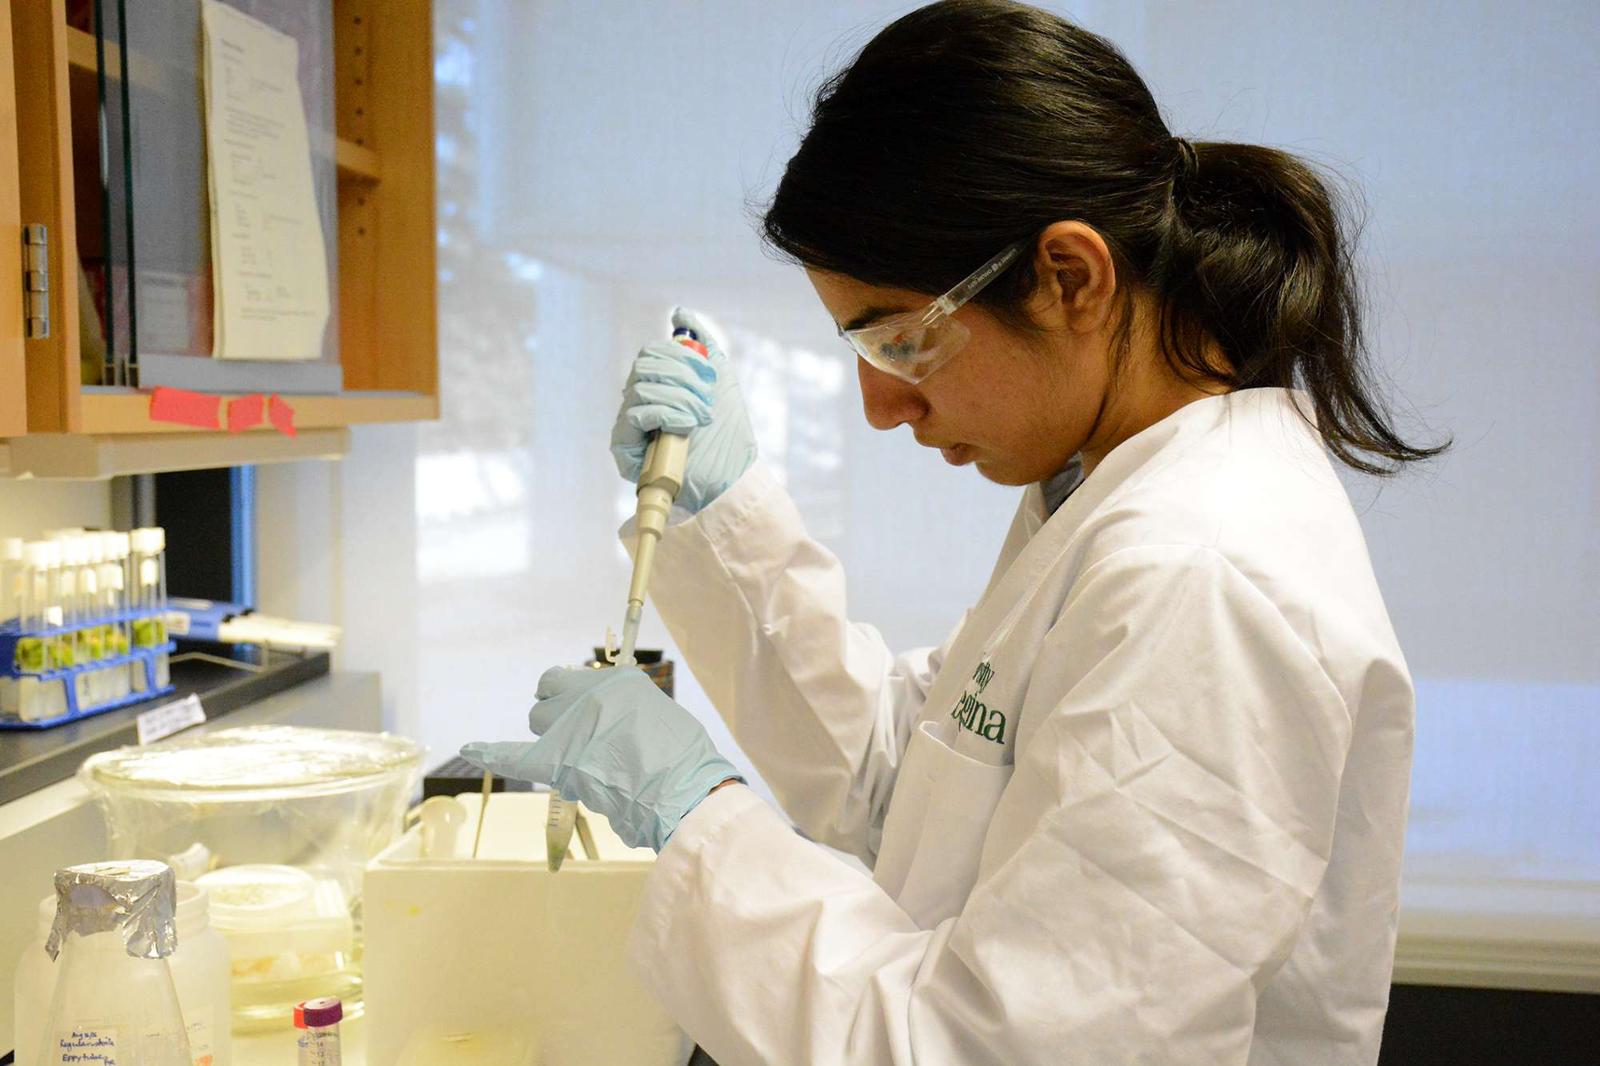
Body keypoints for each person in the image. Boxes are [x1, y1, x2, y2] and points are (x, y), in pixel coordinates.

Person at [462, 2, 1445, 1062]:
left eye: (899, 341)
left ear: (1070, 277)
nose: (882, 406)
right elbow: (914, 784)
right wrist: (723, 511)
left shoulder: (1201, 577)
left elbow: (987, 1047)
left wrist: (696, 815)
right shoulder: (1106, 494)